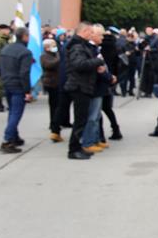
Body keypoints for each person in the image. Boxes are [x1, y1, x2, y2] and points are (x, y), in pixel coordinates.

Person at [65, 22, 106, 160]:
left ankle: (78, 147)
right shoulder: (77, 46)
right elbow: (79, 64)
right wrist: (97, 62)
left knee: (81, 120)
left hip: (82, 85)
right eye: (90, 32)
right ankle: (73, 149)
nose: (91, 34)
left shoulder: (80, 45)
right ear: (85, 31)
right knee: (80, 120)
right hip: (79, 86)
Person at [0, 27, 33, 153]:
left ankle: (14, 137)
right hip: (18, 85)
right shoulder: (25, 52)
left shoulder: (5, 49)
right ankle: (7, 141)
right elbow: (24, 73)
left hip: (7, 83)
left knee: (12, 112)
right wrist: (27, 91)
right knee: (16, 113)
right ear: (25, 37)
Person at [100, 27, 122, 140]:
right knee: (107, 108)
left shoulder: (100, 48)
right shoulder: (114, 46)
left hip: (101, 79)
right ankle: (116, 129)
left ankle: (100, 135)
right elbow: (117, 63)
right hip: (110, 79)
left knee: (98, 109)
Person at [41, 38, 61, 141]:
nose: (55, 47)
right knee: (53, 105)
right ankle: (53, 124)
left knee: (57, 105)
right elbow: (50, 65)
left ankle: (55, 123)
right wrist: (58, 56)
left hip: (57, 82)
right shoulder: (44, 56)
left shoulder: (53, 55)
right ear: (46, 47)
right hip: (51, 83)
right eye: (52, 45)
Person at [0, 23, 12, 112]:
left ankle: (0, 103)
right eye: (7, 30)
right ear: (2, 30)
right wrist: (3, 57)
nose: (8, 31)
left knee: (1, 85)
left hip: (4, 65)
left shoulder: (7, 40)